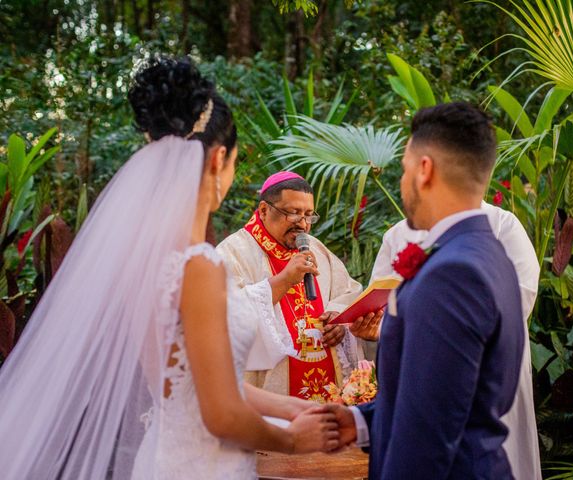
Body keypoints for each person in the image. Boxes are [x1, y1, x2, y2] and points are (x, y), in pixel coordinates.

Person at [0, 57, 340, 480]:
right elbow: (220, 416)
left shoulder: (149, 260)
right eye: (234, 162)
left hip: (166, 456)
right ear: (218, 160)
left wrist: (291, 406)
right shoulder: (198, 264)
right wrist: (293, 438)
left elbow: (192, 386)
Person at [329, 102, 525, 479]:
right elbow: (442, 397)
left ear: (424, 170)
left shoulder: (452, 272)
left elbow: (426, 437)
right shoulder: (487, 251)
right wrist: (359, 422)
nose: (402, 184)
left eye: (403, 170)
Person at [370, 202, 542, 480]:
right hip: (416, 373)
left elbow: (519, 297)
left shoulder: (502, 225)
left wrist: (434, 328)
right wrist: (376, 326)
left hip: (485, 371)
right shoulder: (398, 234)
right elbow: (381, 299)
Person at [217, 173, 383, 402]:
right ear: (264, 210)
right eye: (293, 213)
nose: (303, 224)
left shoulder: (315, 248)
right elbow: (225, 316)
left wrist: (339, 323)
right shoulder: (233, 252)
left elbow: (348, 293)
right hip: (271, 398)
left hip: (330, 391)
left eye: (308, 215)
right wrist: (284, 280)